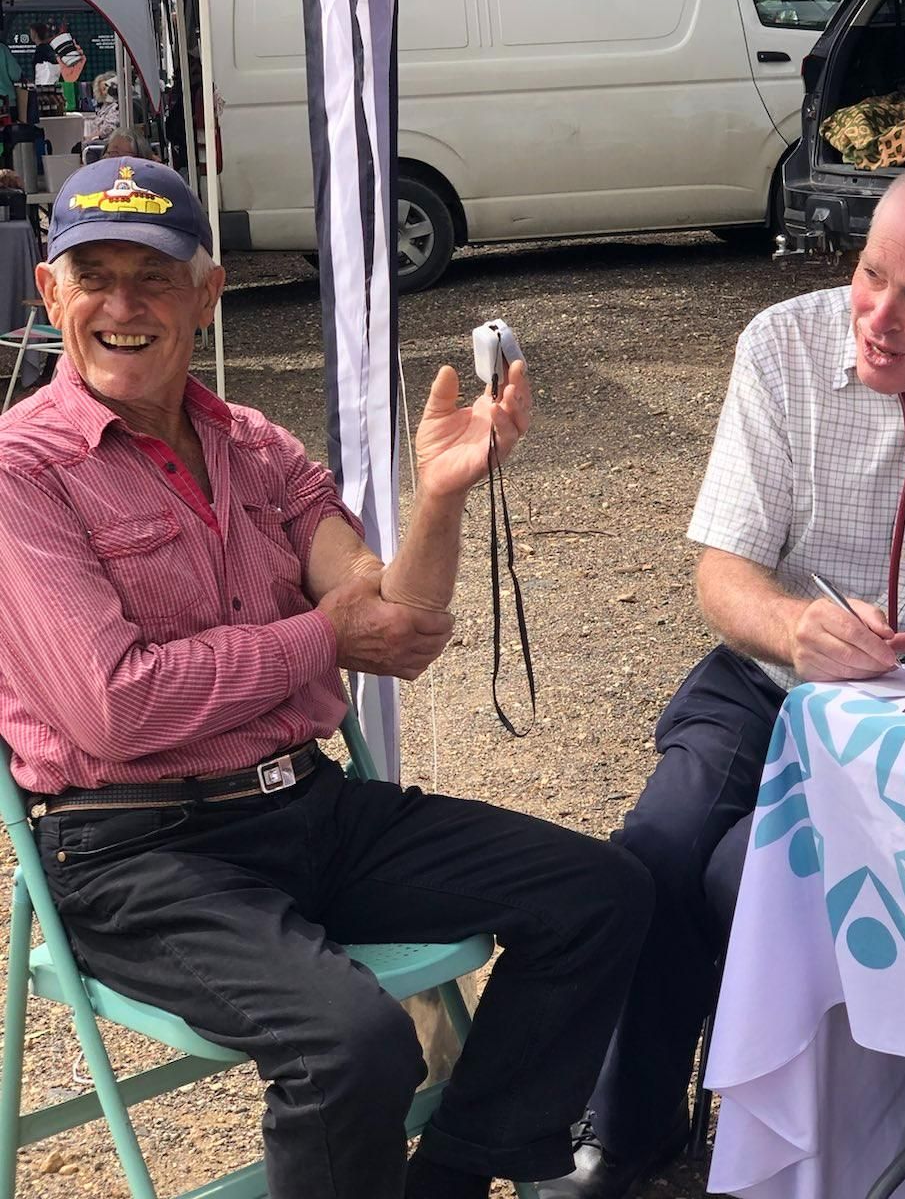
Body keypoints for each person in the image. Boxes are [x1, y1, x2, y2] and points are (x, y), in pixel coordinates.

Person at [0, 157, 653, 1199]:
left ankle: (454, 1173)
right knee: (353, 1044)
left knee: (601, 892)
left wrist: (438, 498)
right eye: (95, 277)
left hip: (305, 806)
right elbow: (114, 706)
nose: (122, 306)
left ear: (206, 292)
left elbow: (391, 625)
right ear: (51, 293)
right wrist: (320, 636)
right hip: (135, 850)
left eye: (154, 277)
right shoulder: (21, 469)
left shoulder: (252, 443)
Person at [541, 163, 905, 1199]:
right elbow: (722, 570)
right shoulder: (782, 343)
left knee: (750, 879)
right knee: (656, 851)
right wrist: (790, 625)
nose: (877, 317)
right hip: (770, 679)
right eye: (869, 275)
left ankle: (827, 1135)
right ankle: (628, 1126)